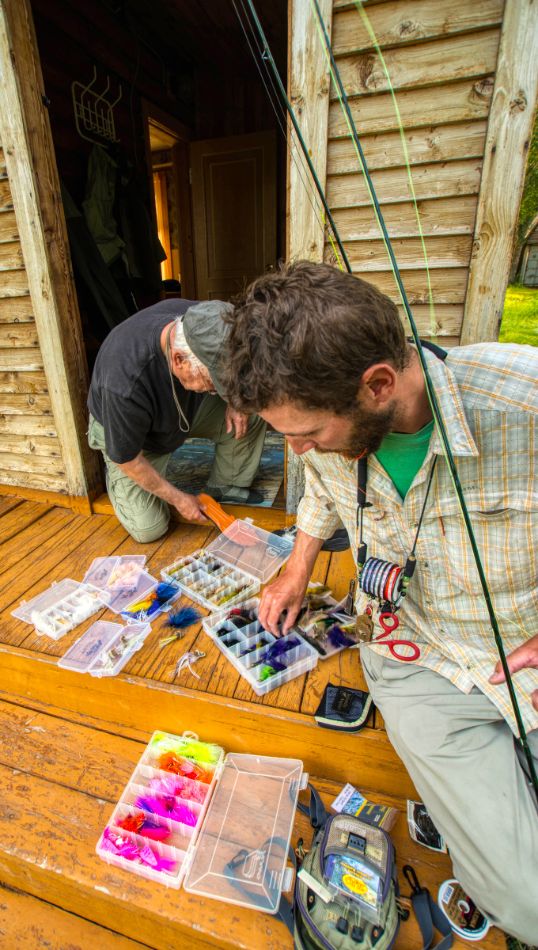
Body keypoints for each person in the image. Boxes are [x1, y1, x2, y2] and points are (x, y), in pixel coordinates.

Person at [223, 261, 538, 942]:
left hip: (525, 657)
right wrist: (297, 564)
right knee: (531, 905)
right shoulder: (324, 431)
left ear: (378, 385)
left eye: (307, 432)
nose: (297, 450)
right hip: (417, 656)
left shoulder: (525, 396)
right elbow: (319, 487)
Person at [88, 298, 266, 543]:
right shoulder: (123, 382)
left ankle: (224, 487)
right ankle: (115, 476)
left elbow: (245, 362)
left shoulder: (204, 321)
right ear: (179, 360)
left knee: (252, 414)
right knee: (149, 528)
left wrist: (236, 401)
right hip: (135, 439)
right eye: (212, 381)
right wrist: (179, 499)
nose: (218, 389)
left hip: (184, 410)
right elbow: (129, 459)